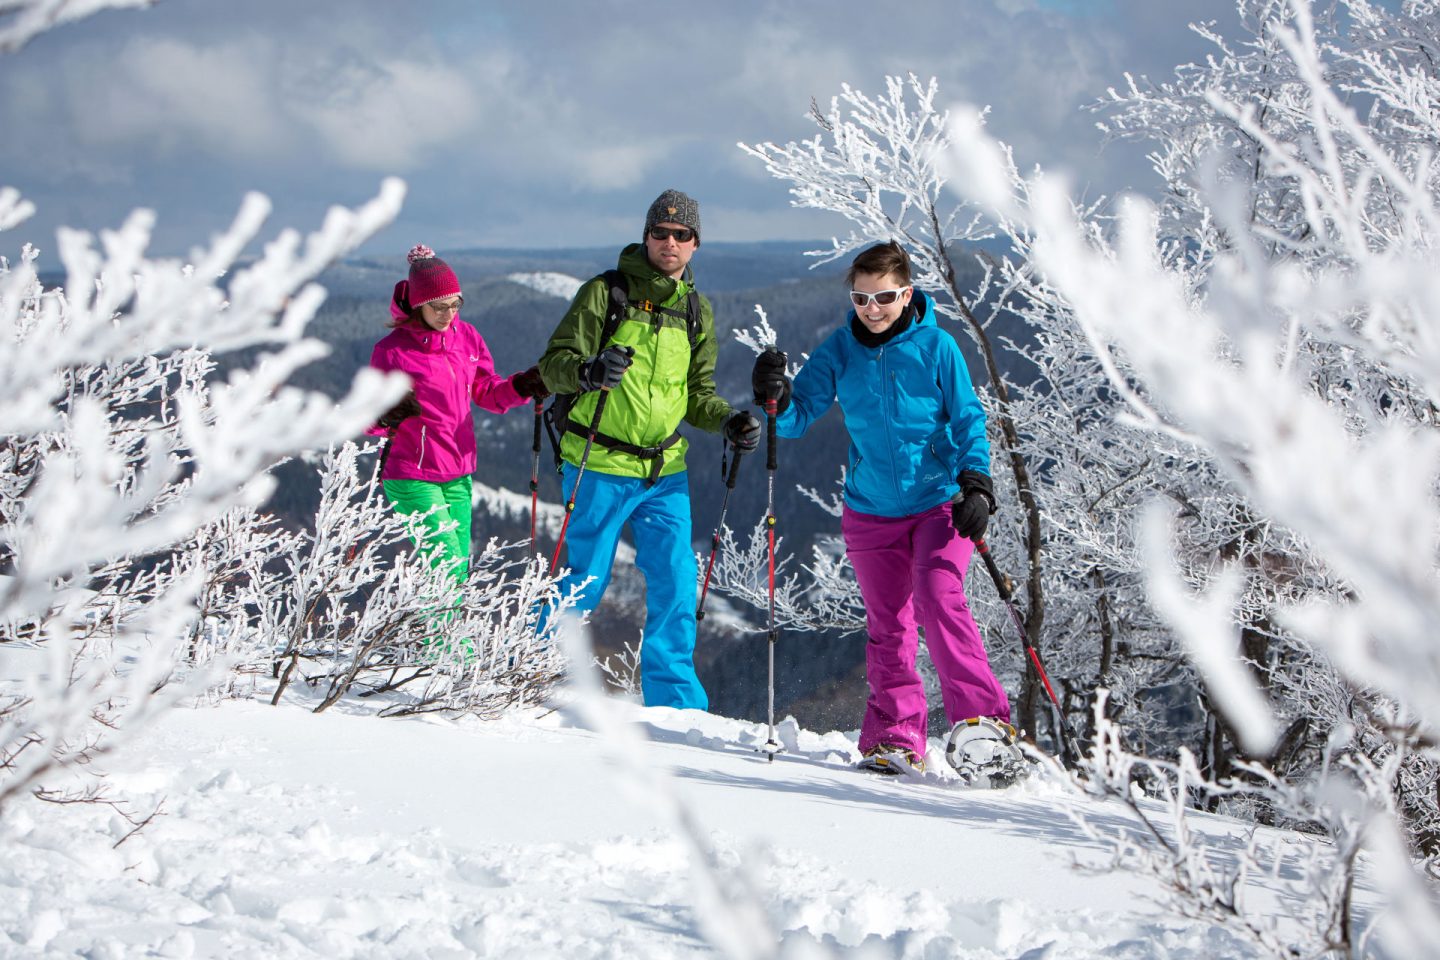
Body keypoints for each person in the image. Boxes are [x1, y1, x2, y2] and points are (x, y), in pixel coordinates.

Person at [750, 240, 1010, 774]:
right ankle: (895, 736)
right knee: (889, 624)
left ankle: (983, 727)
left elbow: (968, 420)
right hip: (871, 510)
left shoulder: (937, 347)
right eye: (861, 298)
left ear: (907, 294)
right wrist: (774, 397)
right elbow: (797, 419)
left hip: (940, 502)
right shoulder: (840, 350)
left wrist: (978, 485)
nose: (872, 309)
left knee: (939, 600)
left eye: (885, 297)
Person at [537, 189, 759, 711]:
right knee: (585, 580)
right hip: (598, 462)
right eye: (661, 232)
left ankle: (676, 707)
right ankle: (522, 671)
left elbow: (697, 395)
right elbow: (553, 365)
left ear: (696, 243)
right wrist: (588, 372)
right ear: (646, 236)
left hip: (664, 470)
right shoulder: (606, 294)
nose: (670, 242)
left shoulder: (696, 310)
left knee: (677, 581)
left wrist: (727, 421)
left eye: (682, 234)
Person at [369, 244, 549, 584]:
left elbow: (487, 392)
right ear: (418, 305)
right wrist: (386, 413)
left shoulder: (467, 338)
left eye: (455, 305)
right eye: (438, 307)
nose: (448, 314)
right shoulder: (392, 351)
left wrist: (522, 386)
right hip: (411, 472)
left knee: (456, 569)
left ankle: (440, 621)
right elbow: (365, 416)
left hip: (458, 469)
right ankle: (438, 624)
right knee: (446, 563)